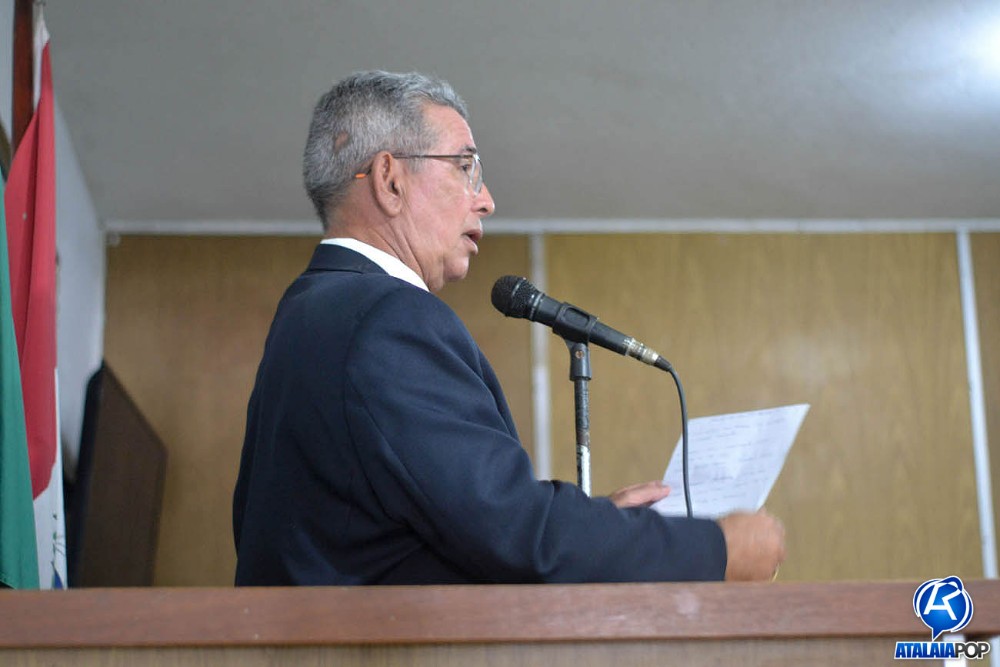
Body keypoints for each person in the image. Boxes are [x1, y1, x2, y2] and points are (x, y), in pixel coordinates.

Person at [232, 70, 785, 585]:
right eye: (464, 167)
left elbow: (435, 532)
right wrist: (715, 549)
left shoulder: (311, 313)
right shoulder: (388, 318)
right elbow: (515, 532)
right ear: (389, 181)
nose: (487, 200)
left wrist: (597, 525)